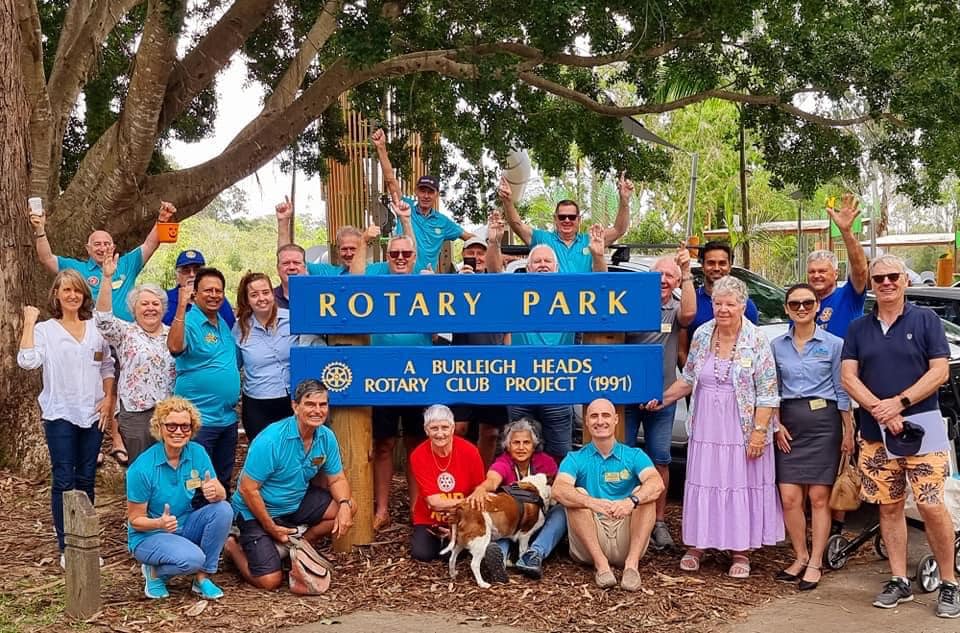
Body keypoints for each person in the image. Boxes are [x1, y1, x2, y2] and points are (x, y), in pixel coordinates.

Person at [841, 254, 959, 617]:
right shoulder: (859, 328)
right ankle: (898, 580)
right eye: (879, 279)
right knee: (889, 507)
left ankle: (950, 582)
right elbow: (848, 376)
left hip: (923, 429)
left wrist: (900, 403)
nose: (887, 283)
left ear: (905, 281)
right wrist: (880, 409)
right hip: (876, 434)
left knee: (930, 505)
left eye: (893, 276)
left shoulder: (926, 321)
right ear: (873, 285)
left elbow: (939, 371)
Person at [649, 275, 782, 578]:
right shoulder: (703, 334)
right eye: (719, 303)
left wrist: (760, 433)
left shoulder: (756, 339)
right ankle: (698, 545)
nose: (723, 309)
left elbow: (768, 391)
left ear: (743, 306)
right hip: (707, 425)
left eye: (730, 304)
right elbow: (689, 378)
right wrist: (661, 399)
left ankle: (740, 551)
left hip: (742, 426)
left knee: (738, 485)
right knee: (704, 482)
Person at [17, 270, 115, 562]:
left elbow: (107, 366)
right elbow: (27, 361)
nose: (72, 296)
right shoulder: (47, 330)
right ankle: (66, 547)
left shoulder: (96, 329)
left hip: (93, 414)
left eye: (78, 291)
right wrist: (29, 322)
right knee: (63, 479)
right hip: (60, 413)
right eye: (66, 290)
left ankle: (85, 543)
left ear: (84, 295)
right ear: (57, 295)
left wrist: (108, 400)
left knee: (86, 478)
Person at [488, 229, 606, 463]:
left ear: (556, 267)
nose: (542, 265)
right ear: (528, 268)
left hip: (558, 386)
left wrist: (598, 256)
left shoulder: (572, 295)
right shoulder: (515, 292)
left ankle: (558, 498)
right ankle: (522, 497)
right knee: (518, 451)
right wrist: (493, 242)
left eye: (547, 261)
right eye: (537, 261)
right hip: (519, 384)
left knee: (560, 452)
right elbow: (494, 273)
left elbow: (602, 286)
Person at [225, 380, 355, 590]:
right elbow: (248, 489)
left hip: (295, 500)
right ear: (295, 406)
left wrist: (345, 505)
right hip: (256, 510)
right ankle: (232, 547)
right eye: (310, 404)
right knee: (270, 581)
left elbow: (337, 479)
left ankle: (300, 547)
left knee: (347, 506)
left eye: (323, 405)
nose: (317, 410)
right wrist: (270, 526)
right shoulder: (272, 439)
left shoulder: (326, 437)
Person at [351, 202, 431, 530]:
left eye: (405, 254)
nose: (400, 258)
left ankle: (415, 508)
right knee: (382, 444)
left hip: (419, 376)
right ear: (388, 257)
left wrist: (406, 221)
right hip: (380, 375)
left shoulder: (426, 279)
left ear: (414, 258)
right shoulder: (376, 276)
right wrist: (365, 241)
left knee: (416, 443)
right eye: (394, 254)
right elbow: (353, 276)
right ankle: (381, 508)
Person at [771, 283, 854, 591]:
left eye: (808, 303)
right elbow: (772, 390)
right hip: (789, 425)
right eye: (795, 304)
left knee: (819, 498)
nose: (802, 308)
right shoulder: (777, 346)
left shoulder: (834, 344)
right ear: (787, 309)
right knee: (790, 497)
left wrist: (849, 430)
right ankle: (800, 556)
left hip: (824, 425)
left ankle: (816, 561)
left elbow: (842, 388)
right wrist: (776, 424)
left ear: (818, 306)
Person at [623, 245, 696, 550]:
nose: (664, 279)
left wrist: (688, 271)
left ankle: (659, 521)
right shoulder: (628, 303)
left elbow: (690, 313)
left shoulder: (676, 309)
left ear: (677, 282)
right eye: (659, 274)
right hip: (627, 398)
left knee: (660, 459)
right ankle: (623, 518)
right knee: (623, 457)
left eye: (670, 275)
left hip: (663, 398)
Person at [125, 397, 233, 600]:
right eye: (172, 425)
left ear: (192, 430)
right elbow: (135, 520)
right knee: (193, 559)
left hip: (184, 525)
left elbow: (220, 490)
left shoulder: (197, 453)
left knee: (223, 509)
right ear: (160, 427)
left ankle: (202, 579)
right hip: (149, 535)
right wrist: (159, 522)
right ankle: (155, 572)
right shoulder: (141, 468)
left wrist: (216, 492)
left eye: (185, 426)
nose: (178, 431)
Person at [552, 399, 663, 591]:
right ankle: (601, 566)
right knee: (576, 494)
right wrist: (590, 502)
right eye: (594, 416)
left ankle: (631, 566)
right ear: (586, 422)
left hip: (625, 534)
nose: (600, 421)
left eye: (605, 415)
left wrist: (631, 501)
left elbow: (656, 483)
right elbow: (558, 490)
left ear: (616, 419)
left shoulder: (634, 455)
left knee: (644, 494)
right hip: (592, 538)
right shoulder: (575, 458)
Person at [30, 201, 175, 321]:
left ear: (113, 247)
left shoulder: (126, 263)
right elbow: (46, 258)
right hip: (92, 336)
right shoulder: (76, 269)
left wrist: (162, 220)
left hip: (125, 335)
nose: (102, 248)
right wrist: (40, 229)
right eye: (97, 244)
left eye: (106, 244)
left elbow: (150, 244)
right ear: (88, 248)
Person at [95, 251, 176, 466]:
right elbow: (102, 320)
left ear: (163, 308)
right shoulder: (126, 332)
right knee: (141, 467)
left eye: (155, 304)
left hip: (169, 412)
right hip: (135, 413)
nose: (150, 308)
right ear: (134, 309)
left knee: (169, 465)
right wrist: (106, 278)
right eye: (144, 304)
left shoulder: (173, 334)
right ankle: (138, 501)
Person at [167, 267, 241, 494]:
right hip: (200, 421)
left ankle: (223, 524)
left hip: (226, 419)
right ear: (195, 294)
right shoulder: (189, 322)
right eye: (208, 290)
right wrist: (181, 306)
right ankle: (196, 525)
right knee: (197, 481)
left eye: (219, 291)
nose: (214, 295)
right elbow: (175, 347)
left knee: (222, 477)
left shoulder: (223, 325)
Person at [465, 418, 567, 580]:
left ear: (534, 446)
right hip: (510, 526)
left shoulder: (546, 463)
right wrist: (481, 488)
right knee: (501, 532)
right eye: (516, 443)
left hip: (539, 524)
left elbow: (559, 489)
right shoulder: (503, 462)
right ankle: (498, 560)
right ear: (508, 446)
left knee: (561, 512)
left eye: (526, 442)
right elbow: (493, 480)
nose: (521, 447)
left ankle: (534, 555)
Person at [451, 217, 510, 466]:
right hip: (460, 367)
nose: (475, 257)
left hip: (493, 366)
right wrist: (460, 284)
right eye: (470, 252)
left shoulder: (497, 285)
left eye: (480, 252)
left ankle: (481, 479)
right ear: (463, 255)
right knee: (458, 428)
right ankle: (459, 476)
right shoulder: (450, 285)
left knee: (491, 431)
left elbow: (508, 328)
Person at [372, 128, 472, 271]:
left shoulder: (442, 222)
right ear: (416, 191)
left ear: (437, 194)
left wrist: (494, 247)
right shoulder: (405, 206)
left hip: (425, 281)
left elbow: (469, 237)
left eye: (430, 192)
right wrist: (381, 148)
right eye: (422, 190)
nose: (426, 195)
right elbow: (390, 180)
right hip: (398, 274)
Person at [498, 173, 632, 273]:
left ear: (579, 220)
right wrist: (507, 201)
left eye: (571, 217)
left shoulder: (592, 240)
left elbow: (619, 229)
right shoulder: (542, 239)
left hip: (583, 302)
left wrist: (624, 200)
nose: (567, 220)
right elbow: (517, 225)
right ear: (555, 219)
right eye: (562, 217)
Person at [408, 405, 485, 562]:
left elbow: (479, 491)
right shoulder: (418, 455)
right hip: (430, 519)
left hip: (464, 516)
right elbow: (434, 502)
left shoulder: (470, 451)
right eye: (434, 428)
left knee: (454, 555)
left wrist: (461, 520)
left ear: (453, 427)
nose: (440, 433)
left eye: (444, 427)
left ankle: (458, 538)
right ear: (426, 430)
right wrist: (466, 502)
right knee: (422, 554)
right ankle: (444, 538)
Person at [232, 272, 295, 442]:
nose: (261, 298)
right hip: (257, 404)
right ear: (247, 299)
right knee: (262, 456)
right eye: (254, 295)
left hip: (291, 400)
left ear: (272, 293)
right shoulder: (240, 328)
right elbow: (233, 366)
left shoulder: (292, 319)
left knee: (291, 454)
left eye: (265, 292)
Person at [809, 193, 869, 338]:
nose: (816, 275)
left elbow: (860, 270)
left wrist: (846, 232)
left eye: (822, 271)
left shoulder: (849, 296)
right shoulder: (800, 303)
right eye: (812, 272)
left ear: (836, 273)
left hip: (843, 360)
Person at [685, 241, 759, 337]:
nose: (716, 268)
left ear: (729, 266)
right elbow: (682, 348)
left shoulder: (745, 305)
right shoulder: (691, 302)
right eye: (711, 263)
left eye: (722, 263)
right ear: (702, 266)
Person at [275, 197, 361, 276]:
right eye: (344, 249)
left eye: (353, 248)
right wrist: (283, 222)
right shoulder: (326, 273)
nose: (349, 253)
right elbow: (287, 257)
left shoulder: (374, 270)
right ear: (338, 251)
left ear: (362, 248)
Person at [162, 250, 235, 328]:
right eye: (186, 271)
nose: (192, 274)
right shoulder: (165, 299)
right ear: (177, 276)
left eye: (197, 270)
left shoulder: (216, 298)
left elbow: (230, 326)